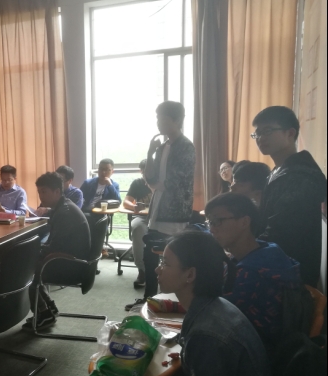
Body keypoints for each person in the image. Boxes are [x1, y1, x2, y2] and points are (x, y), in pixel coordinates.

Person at [156, 231, 270, 376]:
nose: (157, 269)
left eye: (165, 263)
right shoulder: (216, 305)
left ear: (190, 275)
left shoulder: (207, 336)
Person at [205, 192, 301, 350]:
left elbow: (212, 311)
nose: (212, 230)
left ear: (244, 222)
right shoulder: (265, 249)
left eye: (217, 221)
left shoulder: (252, 272)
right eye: (209, 222)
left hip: (255, 354)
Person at [126, 101, 195, 310]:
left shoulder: (186, 146)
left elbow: (178, 180)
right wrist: (150, 152)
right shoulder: (163, 147)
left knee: (172, 258)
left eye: (162, 118)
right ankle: (149, 299)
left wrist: (157, 185)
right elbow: (150, 177)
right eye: (157, 118)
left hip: (175, 212)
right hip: (157, 210)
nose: (158, 123)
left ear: (176, 120)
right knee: (150, 255)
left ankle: (170, 303)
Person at [252, 106, 327, 286]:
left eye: (267, 131)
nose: (260, 138)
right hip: (275, 265)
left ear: (290, 133)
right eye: (257, 133)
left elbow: (282, 232)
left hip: (290, 276)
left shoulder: (301, 176)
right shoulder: (279, 171)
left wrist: (245, 249)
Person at [23, 172, 91, 330]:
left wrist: (31, 253)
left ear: (57, 191)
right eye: (39, 192)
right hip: (73, 260)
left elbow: (54, 247)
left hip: (71, 265)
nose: (40, 196)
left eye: (44, 191)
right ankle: (49, 308)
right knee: (29, 260)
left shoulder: (64, 213)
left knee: (24, 269)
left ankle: (44, 314)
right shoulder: (63, 207)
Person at [122, 159, 152, 288]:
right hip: (142, 217)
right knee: (137, 228)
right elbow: (126, 202)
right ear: (141, 171)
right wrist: (134, 207)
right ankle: (142, 270)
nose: (148, 174)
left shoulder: (164, 183)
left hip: (160, 218)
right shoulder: (137, 183)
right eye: (145, 171)